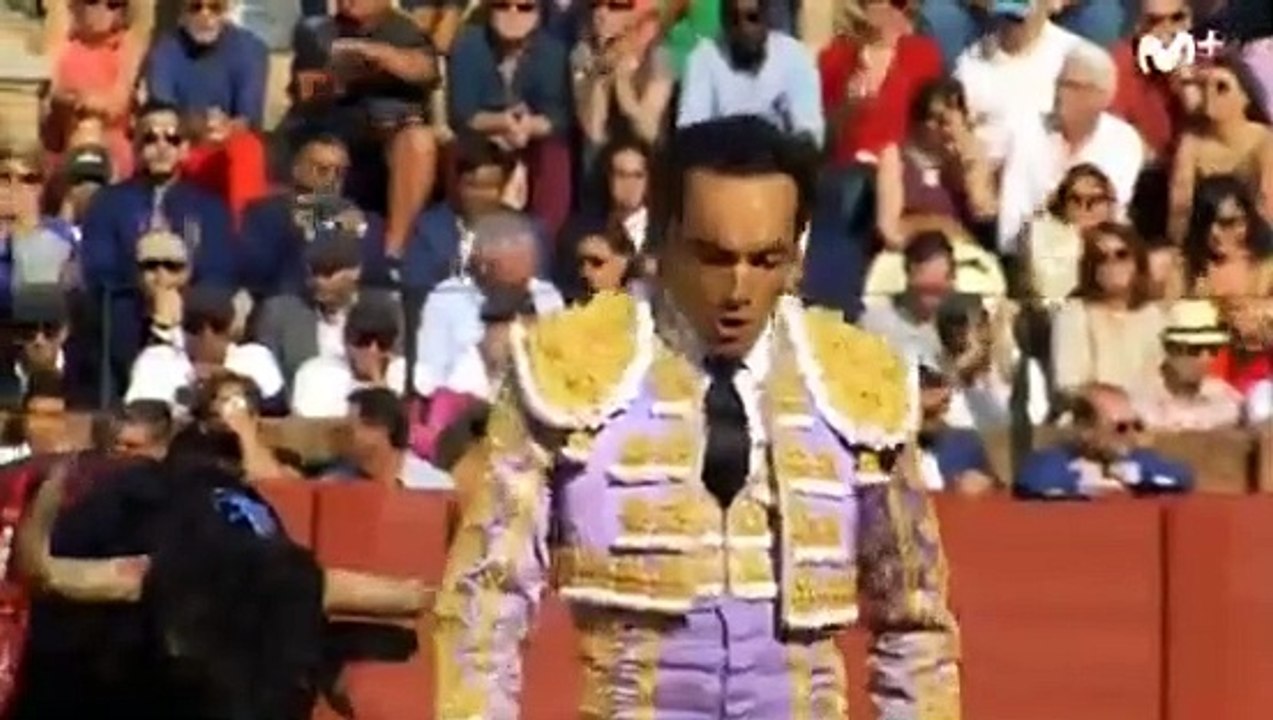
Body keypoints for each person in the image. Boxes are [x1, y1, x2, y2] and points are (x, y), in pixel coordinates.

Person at [435, 115, 960, 718]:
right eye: (713, 256)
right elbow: (485, 603)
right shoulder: (568, 366)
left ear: (799, 249)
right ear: (661, 240)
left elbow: (915, 623)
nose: (738, 287)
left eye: (766, 259)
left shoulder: (858, 381)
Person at [1016, 383, 1193, 499]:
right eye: (1120, 428)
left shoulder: (1140, 461)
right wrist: (1087, 487)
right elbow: (1037, 485)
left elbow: (1179, 478)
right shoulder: (1052, 463)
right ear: (1086, 430)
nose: (1131, 436)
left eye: (1137, 426)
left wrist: (1134, 481)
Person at [1135, 298, 1242, 431]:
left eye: (1212, 348)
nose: (1205, 358)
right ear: (1169, 349)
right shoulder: (1140, 406)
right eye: (1195, 349)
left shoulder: (1227, 401)